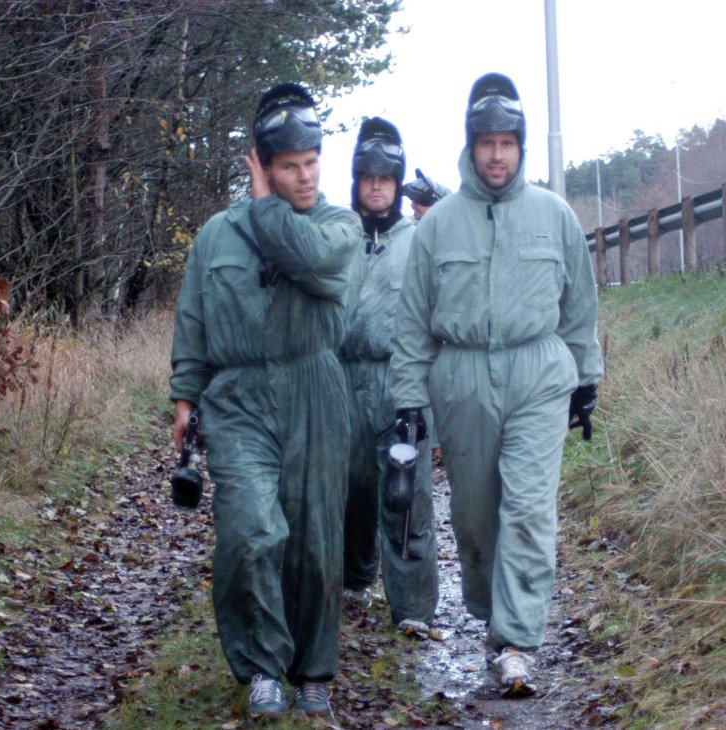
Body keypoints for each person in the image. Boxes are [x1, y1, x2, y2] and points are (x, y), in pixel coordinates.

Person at [389, 72, 603, 699]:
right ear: (471, 145)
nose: (497, 155)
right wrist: (408, 400)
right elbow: (412, 323)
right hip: (461, 377)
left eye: (507, 143)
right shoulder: (437, 226)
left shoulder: (554, 216)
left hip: (538, 372)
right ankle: (490, 612)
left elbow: (580, 306)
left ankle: (516, 643)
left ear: (521, 147)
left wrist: (585, 379)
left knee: (529, 510)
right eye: (487, 143)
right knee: (476, 515)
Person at [168, 82, 359, 720]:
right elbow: (193, 320)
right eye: (289, 166)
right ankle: (262, 667)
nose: (306, 176)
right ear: (261, 165)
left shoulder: (337, 226)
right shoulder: (215, 237)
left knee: (314, 539)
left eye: (312, 162)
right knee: (250, 531)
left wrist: (265, 210)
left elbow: (309, 256)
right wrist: (185, 396)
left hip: (314, 388)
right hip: (238, 398)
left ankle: (312, 671)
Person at [338, 117, 439, 629]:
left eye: (385, 179)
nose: (376, 187)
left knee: (406, 498)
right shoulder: (336, 236)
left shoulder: (420, 240)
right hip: (341, 380)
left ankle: (413, 609)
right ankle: (354, 580)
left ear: (398, 185)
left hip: (402, 383)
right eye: (368, 178)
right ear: (356, 181)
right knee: (350, 492)